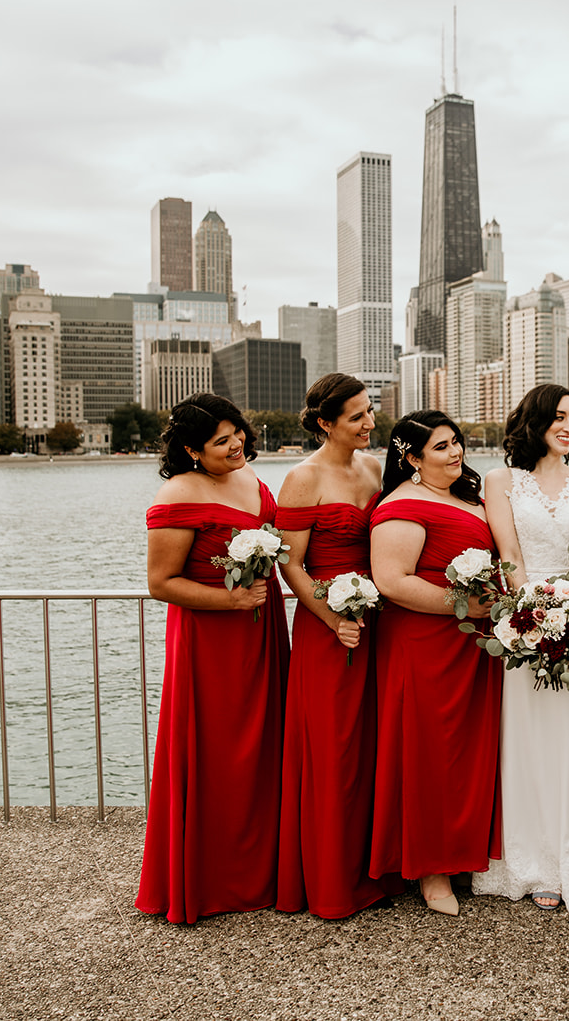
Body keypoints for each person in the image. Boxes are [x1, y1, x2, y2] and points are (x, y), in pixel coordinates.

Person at [136, 393, 290, 924]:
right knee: (214, 754)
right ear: (191, 450)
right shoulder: (178, 494)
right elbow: (160, 583)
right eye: (220, 441)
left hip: (263, 633)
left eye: (238, 433)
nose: (235, 445)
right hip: (209, 643)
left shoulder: (255, 483)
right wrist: (231, 599)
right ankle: (207, 879)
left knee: (265, 749)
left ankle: (266, 873)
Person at [472, 384, 569, 913]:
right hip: (525, 622)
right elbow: (509, 554)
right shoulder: (502, 481)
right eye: (559, 416)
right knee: (526, 741)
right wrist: (529, 617)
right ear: (535, 421)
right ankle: (530, 862)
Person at [275, 374, 404, 919]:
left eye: (370, 411)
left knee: (376, 742)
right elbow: (291, 564)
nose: (370, 423)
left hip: (380, 621)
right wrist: (332, 620)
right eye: (356, 416)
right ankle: (331, 879)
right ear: (326, 422)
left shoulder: (375, 469)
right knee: (334, 749)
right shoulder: (302, 479)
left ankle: (377, 869)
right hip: (326, 627)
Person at [368, 411, 501, 917]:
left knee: (468, 749)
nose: (456, 452)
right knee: (428, 752)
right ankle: (431, 871)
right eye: (442, 447)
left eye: (456, 442)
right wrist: (461, 605)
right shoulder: (401, 505)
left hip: (472, 644)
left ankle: (465, 853)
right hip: (423, 645)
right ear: (412, 458)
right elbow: (393, 580)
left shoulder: (466, 498)